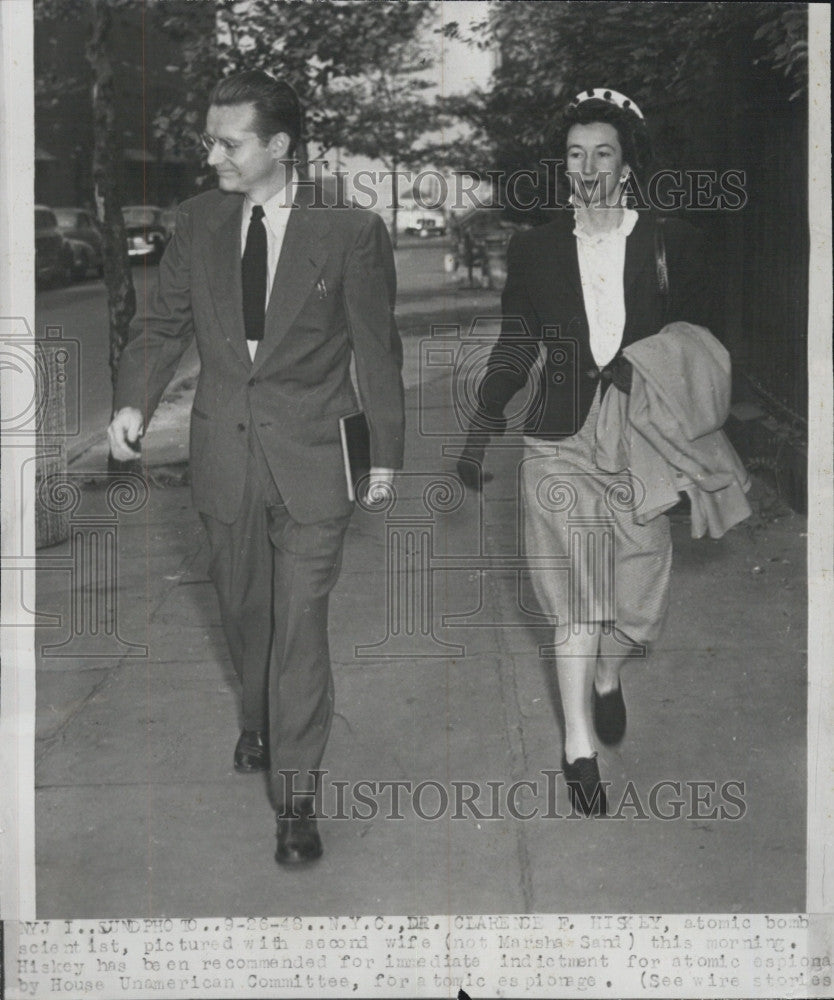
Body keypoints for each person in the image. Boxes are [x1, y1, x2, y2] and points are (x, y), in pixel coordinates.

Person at [107, 71, 405, 864]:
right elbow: (159, 323)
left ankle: (297, 800)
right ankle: (258, 717)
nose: (212, 156)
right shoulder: (198, 222)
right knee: (246, 615)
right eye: (210, 139)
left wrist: (384, 457)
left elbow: (377, 350)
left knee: (301, 623)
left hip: (314, 459)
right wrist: (134, 400)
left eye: (227, 141)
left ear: (279, 146)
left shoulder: (349, 231)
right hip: (224, 455)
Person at [458, 88, 713, 816]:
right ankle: (577, 746)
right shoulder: (537, 247)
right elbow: (515, 343)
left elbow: (700, 348)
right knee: (572, 601)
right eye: (575, 156)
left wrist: (693, 449)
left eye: (603, 154)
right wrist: (482, 427)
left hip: (641, 439)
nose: (588, 168)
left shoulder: (672, 242)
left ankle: (609, 675)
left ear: (627, 163)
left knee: (636, 601)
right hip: (558, 440)